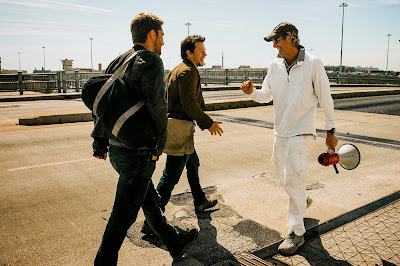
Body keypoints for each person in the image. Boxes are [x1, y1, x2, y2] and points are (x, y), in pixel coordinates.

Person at [91, 12, 198, 265]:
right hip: (137, 152)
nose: (163, 41)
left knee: (149, 201)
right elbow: (159, 108)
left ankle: (174, 243)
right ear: (152, 34)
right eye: (162, 35)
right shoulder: (150, 61)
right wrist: (158, 146)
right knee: (122, 217)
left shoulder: (118, 60)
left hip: (117, 150)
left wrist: (100, 141)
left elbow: (103, 104)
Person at [240, 22, 338, 254]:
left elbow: (326, 98)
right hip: (280, 134)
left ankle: (296, 232)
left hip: (302, 134)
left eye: (277, 40)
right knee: (284, 179)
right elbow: (266, 95)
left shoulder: (313, 64)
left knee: (293, 180)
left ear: (291, 37)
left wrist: (330, 131)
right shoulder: (275, 65)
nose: (274, 46)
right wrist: (251, 92)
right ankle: (301, 202)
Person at [142, 35, 223, 235]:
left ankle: (200, 201)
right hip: (180, 129)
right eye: (201, 50)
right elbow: (189, 104)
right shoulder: (188, 72)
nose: (205, 54)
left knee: (193, 163)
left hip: (176, 127)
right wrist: (208, 123)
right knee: (170, 176)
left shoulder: (176, 70)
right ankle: (153, 221)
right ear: (189, 52)